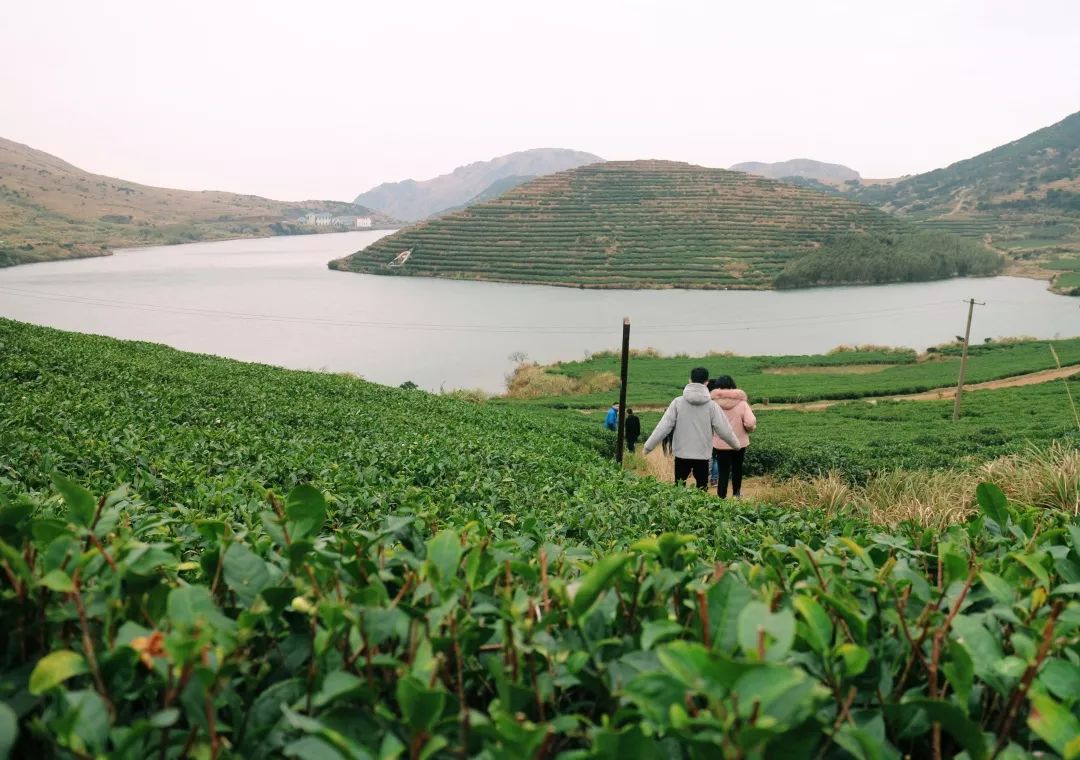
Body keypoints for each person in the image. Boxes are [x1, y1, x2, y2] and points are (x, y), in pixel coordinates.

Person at [643, 367, 740, 490]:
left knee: (679, 489)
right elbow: (724, 430)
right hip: (703, 456)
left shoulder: (677, 403)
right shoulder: (712, 406)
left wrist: (648, 447)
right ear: (707, 382)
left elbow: (663, 427)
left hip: (681, 455)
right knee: (702, 489)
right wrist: (736, 446)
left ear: (690, 380)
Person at [710, 375, 757, 498]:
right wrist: (748, 430)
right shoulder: (742, 403)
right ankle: (736, 494)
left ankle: (721, 497)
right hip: (739, 443)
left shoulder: (713, 404)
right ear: (733, 386)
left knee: (723, 471)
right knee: (737, 469)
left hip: (720, 444)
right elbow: (750, 422)